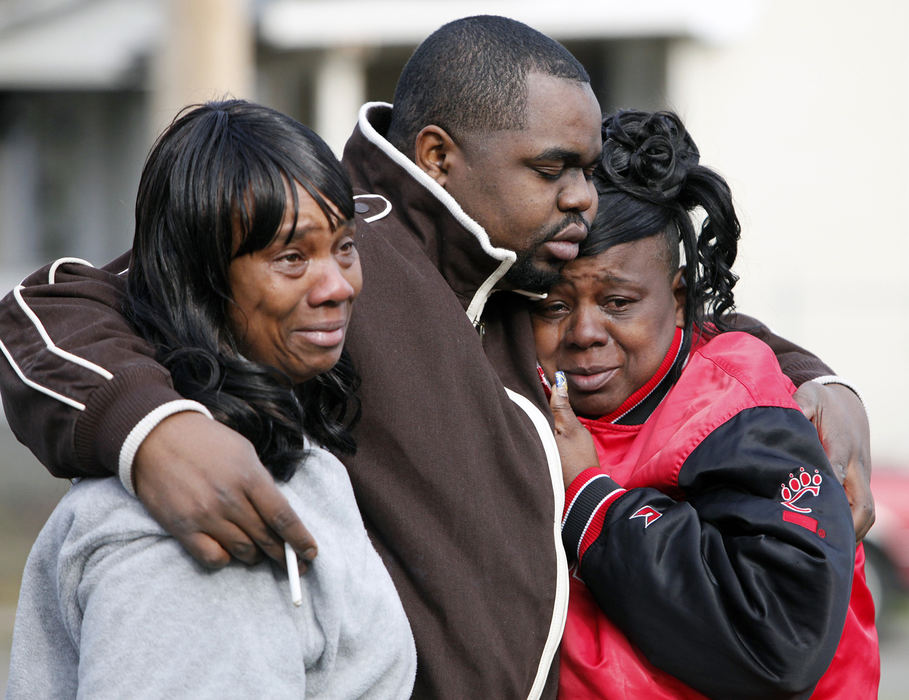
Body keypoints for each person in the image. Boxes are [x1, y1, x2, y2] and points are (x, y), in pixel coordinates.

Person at [0, 16, 871, 698]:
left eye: (589, 171)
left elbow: (670, 309)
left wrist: (813, 378)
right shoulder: (346, 253)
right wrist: (154, 430)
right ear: (438, 158)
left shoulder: (524, 269)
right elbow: (50, 308)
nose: (582, 197)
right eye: (554, 168)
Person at [5, 100, 416, 698]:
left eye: (344, 247)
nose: (337, 287)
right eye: (291, 258)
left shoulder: (274, 432)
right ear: (201, 279)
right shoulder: (199, 522)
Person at [535, 110, 879, 699]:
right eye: (552, 306)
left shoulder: (736, 408)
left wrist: (591, 499)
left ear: (678, 297)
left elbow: (781, 640)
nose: (585, 331)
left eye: (618, 302)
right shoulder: (541, 396)